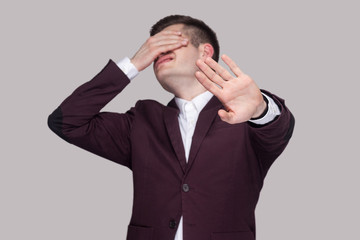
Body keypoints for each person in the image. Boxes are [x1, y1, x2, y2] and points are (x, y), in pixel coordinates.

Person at [48, 15, 295, 240]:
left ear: (205, 52)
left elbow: (277, 127)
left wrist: (260, 109)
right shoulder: (142, 120)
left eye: (170, 41)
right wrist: (132, 65)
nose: (158, 51)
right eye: (154, 47)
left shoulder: (244, 117)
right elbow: (66, 120)